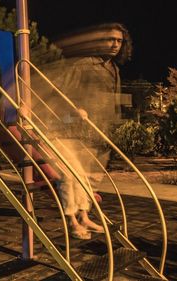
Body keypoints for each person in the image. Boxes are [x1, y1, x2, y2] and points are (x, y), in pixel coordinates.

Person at [45, 23, 132, 239]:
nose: (115, 45)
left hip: (97, 132)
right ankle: (72, 220)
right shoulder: (84, 64)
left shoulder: (114, 69)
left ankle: (84, 216)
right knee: (69, 175)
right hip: (70, 130)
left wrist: (114, 124)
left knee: (85, 178)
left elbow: (112, 102)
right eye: (111, 39)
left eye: (119, 41)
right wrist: (75, 108)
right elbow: (60, 92)